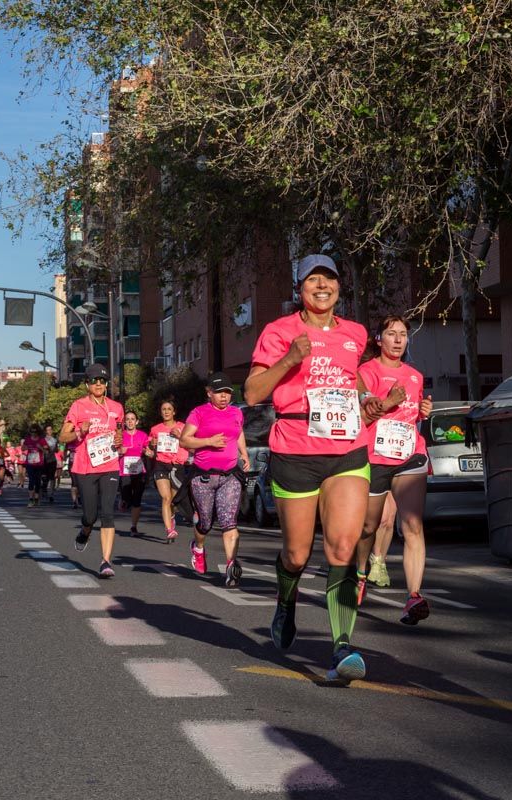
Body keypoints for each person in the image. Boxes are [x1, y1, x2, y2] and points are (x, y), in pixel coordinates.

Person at [244, 253, 375, 682]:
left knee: (342, 546)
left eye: (330, 280)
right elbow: (252, 393)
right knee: (297, 554)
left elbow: (351, 383)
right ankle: (286, 600)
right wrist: (289, 360)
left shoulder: (355, 333)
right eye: (313, 280)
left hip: (347, 449)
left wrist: (371, 404)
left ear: (340, 287)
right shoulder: (279, 332)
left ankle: (342, 647)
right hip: (296, 449)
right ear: (299, 289)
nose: (323, 287)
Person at [356, 316, 435, 624]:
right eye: (392, 333)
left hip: (410, 455)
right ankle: (361, 572)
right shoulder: (366, 372)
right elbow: (362, 418)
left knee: (413, 526)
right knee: (368, 526)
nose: (399, 339)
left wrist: (423, 412)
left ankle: (413, 597)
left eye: (403, 334)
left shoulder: (415, 376)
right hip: (374, 457)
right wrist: (388, 402)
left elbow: (414, 414)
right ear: (380, 339)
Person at [179, 374, 250, 586]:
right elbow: (184, 440)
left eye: (227, 392)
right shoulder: (199, 413)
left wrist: (243, 453)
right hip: (203, 476)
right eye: (219, 392)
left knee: (229, 521)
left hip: (229, 475)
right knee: (205, 522)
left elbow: (238, 433)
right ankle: (198, 547)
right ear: (209, 393)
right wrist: (208, 441)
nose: (224, 397)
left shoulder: (236, 413)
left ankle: (231, 566)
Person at [59, 363, 125, 578]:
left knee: (107, 514)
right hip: (85, 467)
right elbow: (62, 437)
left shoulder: (116, 408)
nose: (98, 384)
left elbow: (119, 433)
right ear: (87, 384)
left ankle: (106, 561)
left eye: (102, 381)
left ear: (106, 384)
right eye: (94, 381)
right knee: (90, 515)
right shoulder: (78, 406)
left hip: (110, 466)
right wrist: (79, 431)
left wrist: (118, 439)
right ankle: (85, 531)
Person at [145, 399, 188, 542]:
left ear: (174, 412)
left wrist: (180, 436)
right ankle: (169, 530)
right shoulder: (155, 429)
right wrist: (151, 445)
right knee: (165, 498)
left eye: (169, 409)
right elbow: (149, 450)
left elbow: (191, 444)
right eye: (163, 409)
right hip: (161, 464)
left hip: (177, 466)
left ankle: (172, 516)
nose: (166, 412)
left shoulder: (183, 427)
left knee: (174, 500)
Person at [118, 411, 150, 536]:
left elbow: (148, 448)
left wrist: (147, 450)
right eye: (128, 419)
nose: (130, 421)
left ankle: (133, 526)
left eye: (132, 419)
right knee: (127, 498)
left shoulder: (143, 435)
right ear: (124, 422)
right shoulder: (120, 435)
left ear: (137, 421)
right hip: (124, 471)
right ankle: (123, 499)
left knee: (137, 500)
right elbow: (113, 451)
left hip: (139, 471)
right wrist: (120, 451)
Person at [365, 493, 397, 587]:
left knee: (390, 521)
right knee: (382, 519)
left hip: (394, 479)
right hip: (378, 480)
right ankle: (375, 558)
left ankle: (382, 563)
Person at [22, 425, 51, 507]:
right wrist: (25, 447)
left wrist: (41, 448)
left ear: (38, 432)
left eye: (35, 432)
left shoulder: (42, 440)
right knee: (31, 480)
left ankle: (37, 498)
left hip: (39, 464)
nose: (33, 433)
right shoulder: (27, 439)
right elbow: (22, 448)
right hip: (30, 463)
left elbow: (47, 452)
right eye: (32, 432)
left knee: (37, 481)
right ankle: (31, 499)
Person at [42, 423, 59, 503]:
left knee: (52, 477)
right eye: (48, 430)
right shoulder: (43, 440)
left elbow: (56, 450)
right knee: (45, 477)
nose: (50, 431)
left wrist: (55, 448)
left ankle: (51, 494)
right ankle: (44, 488)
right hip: (44, 460)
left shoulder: (55, 440)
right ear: (45, 431)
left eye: (51, 429)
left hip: (52, 460)